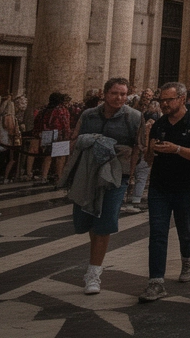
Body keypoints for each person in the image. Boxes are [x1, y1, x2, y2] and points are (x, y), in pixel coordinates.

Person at [66, 77, 142, 295]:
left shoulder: (134, 117)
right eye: (115, 93)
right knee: (87, 221)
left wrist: (131, 175)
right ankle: (94, 259)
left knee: (106, 221)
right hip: (89, 174)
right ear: (105, 94)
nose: (119, 98)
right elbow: (74, 139)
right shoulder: (88, 115)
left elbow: (137, 147)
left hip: (117, 176)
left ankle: (93, 273)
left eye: (123, 94)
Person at [138, 82, 190, 302]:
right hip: (160, 186)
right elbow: (149, 159)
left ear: (181, 99)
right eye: (162, 100)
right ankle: (156, 282)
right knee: (158, 232)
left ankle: (188, 259)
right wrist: (150, 148)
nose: (164, 104)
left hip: (186, 185)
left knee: (185, 227)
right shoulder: (160, 123)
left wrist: (177, 149)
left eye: (168, 100)